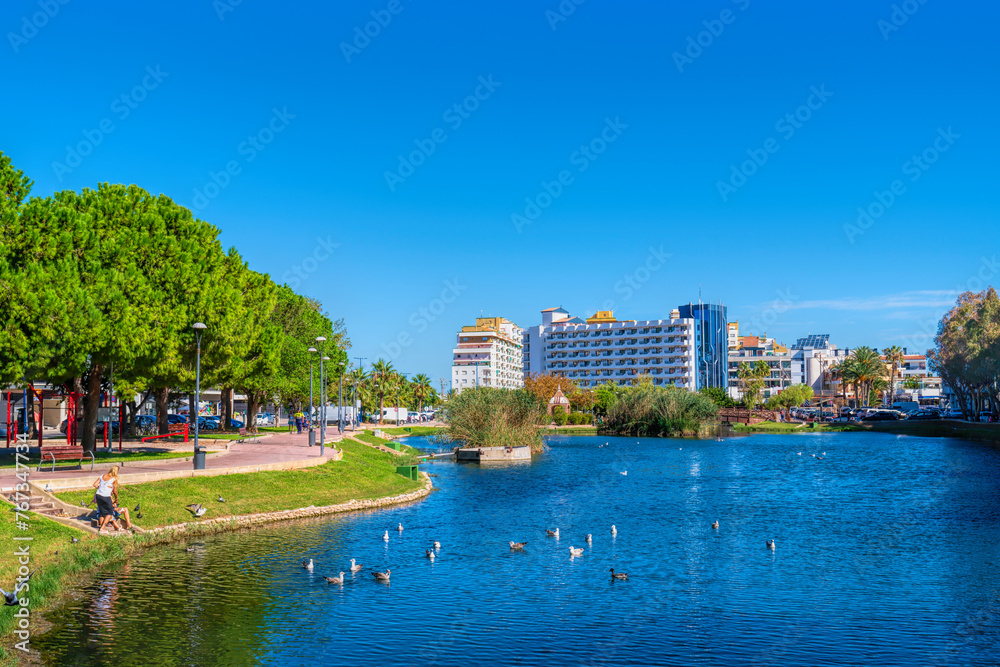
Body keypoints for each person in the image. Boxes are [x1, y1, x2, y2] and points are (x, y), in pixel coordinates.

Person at [92, 466, 134, 533]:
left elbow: (95, 484)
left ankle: (102, 527)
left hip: (98, 495)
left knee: (102, 512)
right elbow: (115, 491)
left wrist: (101, 487)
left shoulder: (102, 476)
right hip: (106, 496)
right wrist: (116, 498)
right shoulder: (114, 479)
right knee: (109, 512)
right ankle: (102, 528)